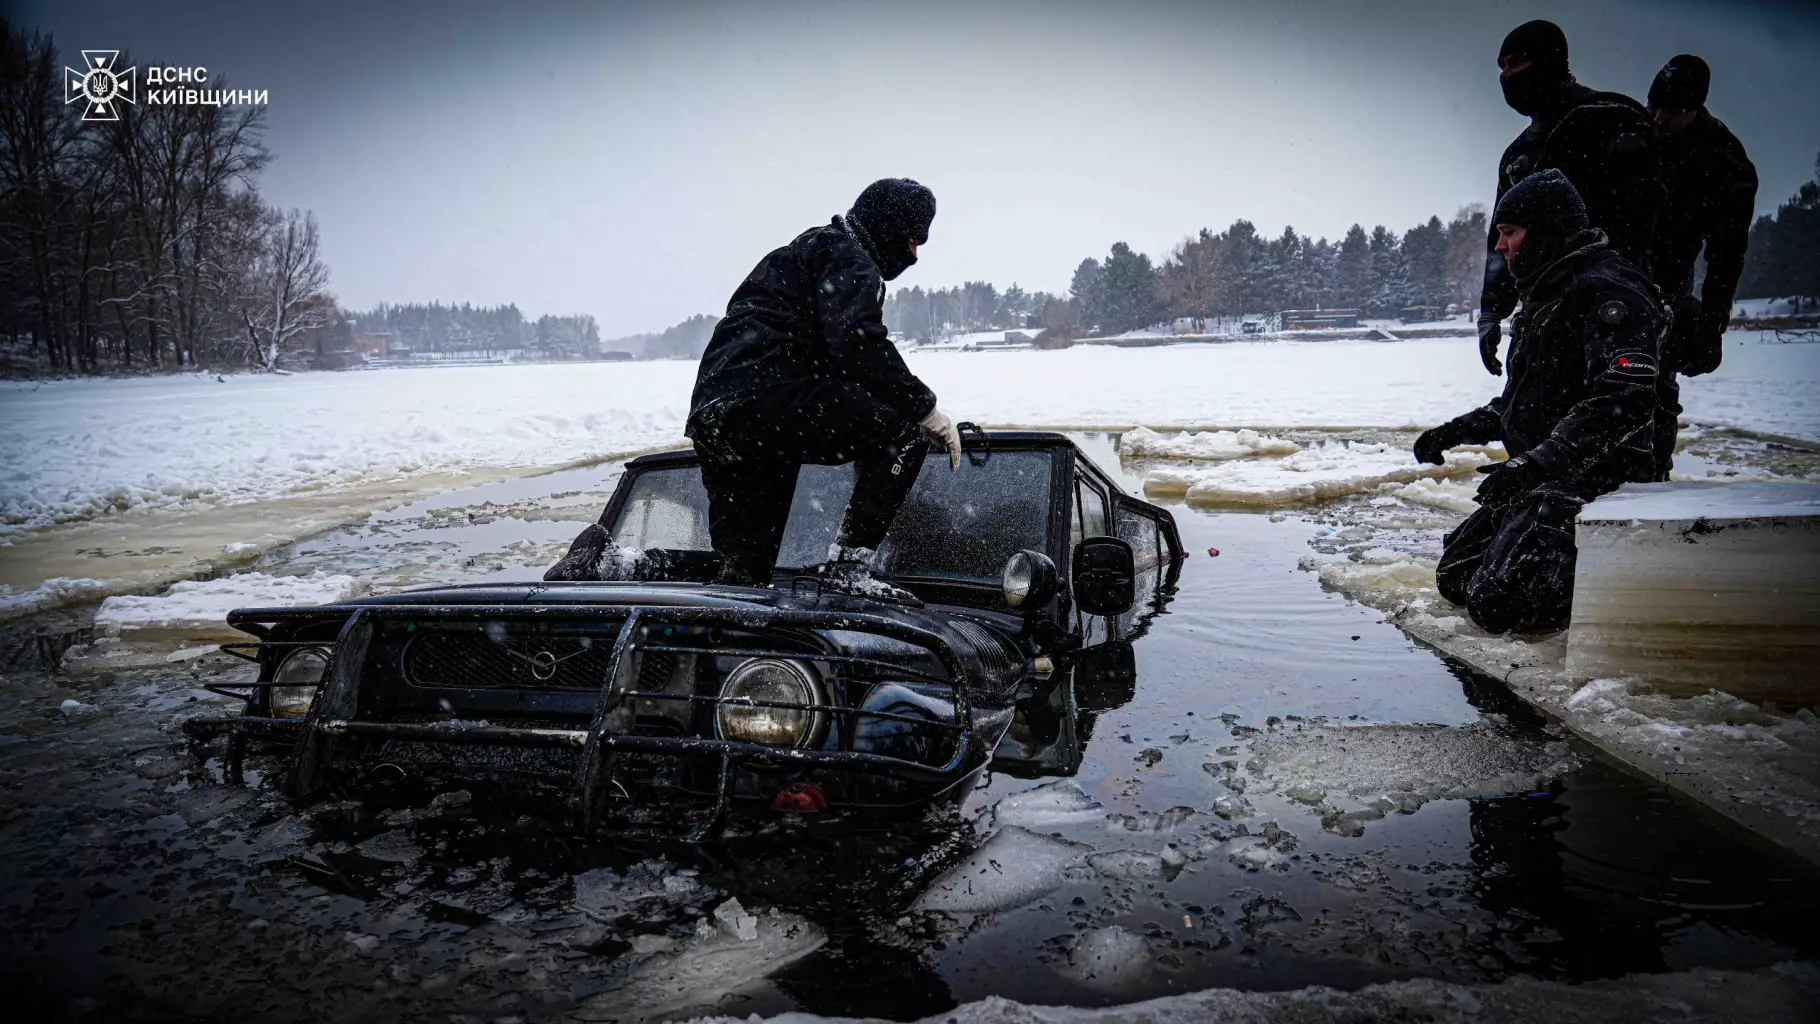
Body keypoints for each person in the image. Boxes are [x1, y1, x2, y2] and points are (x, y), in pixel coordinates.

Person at [1416, 170, 1665, 633]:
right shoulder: (1546, 294)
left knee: (1502, 605)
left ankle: (1609, 593)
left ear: (1547, 230)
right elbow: (1529, 403)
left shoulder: (1610, 291)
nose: (1500, 247)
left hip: (1596, 481)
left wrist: (1539, 462)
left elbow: (1626, 399)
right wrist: (1454, 431)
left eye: (1509, 233)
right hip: (1546, 477)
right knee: (1456, 578)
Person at [1477, 19, 1660, 378]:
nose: (1506, 76)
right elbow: (1502, 238)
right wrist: (1492, 308)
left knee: (1621, 406)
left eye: (1516, 63)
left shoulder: (1612, 122)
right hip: (1543, 310)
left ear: (1547, 62)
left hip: (1615, 305)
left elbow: (1654, 221)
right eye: (1501, 67)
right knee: (1532, 413)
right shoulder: (1521, 154)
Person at [1645, 54, 1759, 477]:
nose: (1658, 119)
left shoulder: (1724, 160)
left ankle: (1651, 480)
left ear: (1695, 109)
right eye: (1652, 105)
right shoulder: (1632, 131)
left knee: (1653, 386)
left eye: (1672, 112)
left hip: (1669, 281)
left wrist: (1711, 327)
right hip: (1611, 267)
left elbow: (1726, 257)